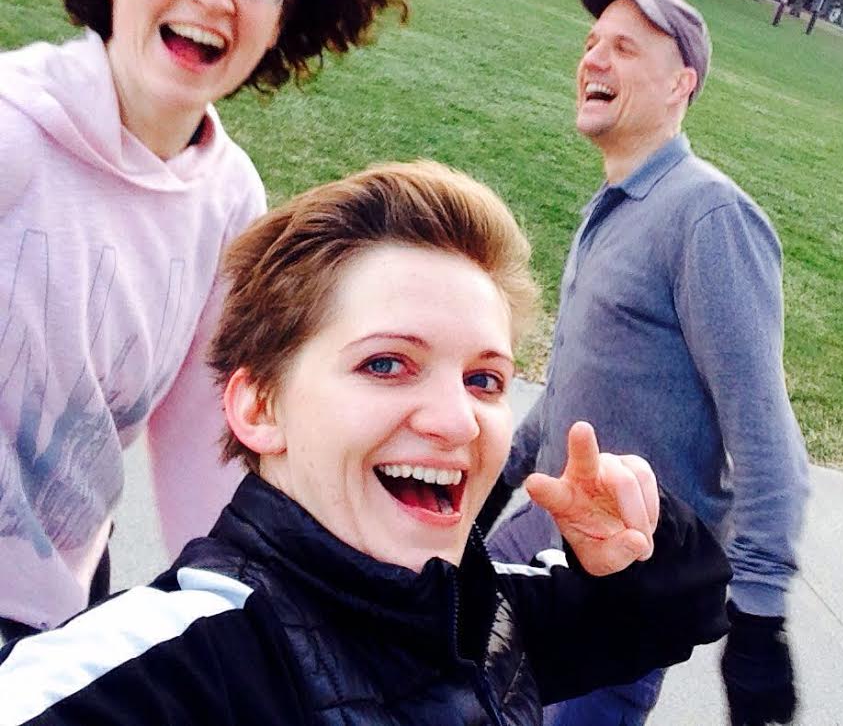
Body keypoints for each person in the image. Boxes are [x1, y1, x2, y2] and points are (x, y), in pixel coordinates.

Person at [0, 161, 731, 726]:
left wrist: (642, 530)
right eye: (387, 364)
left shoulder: (479, 615)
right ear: (259, 406)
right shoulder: (175, 665)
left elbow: (683, 606)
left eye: (484, 379)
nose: (457, 421)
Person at [0, 0, 400, 642]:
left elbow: (205, 447)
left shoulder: (229, 198)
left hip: (54, 613)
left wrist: (266, 625)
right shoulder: (12, 133)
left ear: (282, 16)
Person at [483, 0, 811, 726]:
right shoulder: (616, 206)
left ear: (680, 86)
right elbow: (573, 394)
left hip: (627, 583)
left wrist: (759, 622)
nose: (593, 58)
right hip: (545, 535)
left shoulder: (708, 218)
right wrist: (488, 493)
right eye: (593, 42)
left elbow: (766, 437)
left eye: (625, 49)